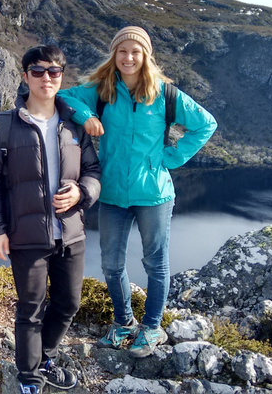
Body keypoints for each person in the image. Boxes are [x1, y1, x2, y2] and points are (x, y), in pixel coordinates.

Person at [58, 26, 217, 357]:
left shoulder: (165, 94)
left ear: (146, 56)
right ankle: (124, 323)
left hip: (154, 195)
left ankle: (153, 328)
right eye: (122, 51)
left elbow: (206, 124)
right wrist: (86, 115)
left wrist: (170, 157)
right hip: (113, 192)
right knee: (112, 264)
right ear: (114, 56)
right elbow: (63, 97)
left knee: (155, 263)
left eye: (135, 51)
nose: (128, 58)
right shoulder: (103, 91)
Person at [0, 45, 102, 394]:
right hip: (27, 234)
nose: (46, 77)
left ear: (62, 76)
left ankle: (44, 358)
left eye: (54, 71)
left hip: (71, 233)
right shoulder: (4, 125)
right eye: (38, 71)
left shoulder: (74, 126)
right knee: (31, 309)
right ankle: (29, 377)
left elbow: (92, 171)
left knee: (68, 303)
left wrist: (82, 193)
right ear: (24, 76)